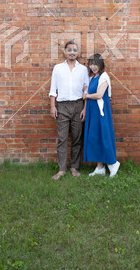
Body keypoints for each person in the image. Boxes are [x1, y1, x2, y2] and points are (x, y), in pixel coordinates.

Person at [49, 40, 89, 180]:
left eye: (74, 50)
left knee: (77, 138)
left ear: (78, 53)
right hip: (62, 107)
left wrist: (84, 108)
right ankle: (61, 169)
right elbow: (53, 89)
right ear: (65, 52)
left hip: (78, 105)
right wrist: (53, 106)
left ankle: (74, 167)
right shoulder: (58, 68)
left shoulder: (83, 69)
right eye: (69, 50)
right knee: (62, 138)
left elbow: (86, 91)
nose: (72, 52)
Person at [83, 54, 120, 177]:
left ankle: (113, 163)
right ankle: (100, 168)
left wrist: (87, 95)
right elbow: (89, 91)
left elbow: (99, 95)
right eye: (91, 64)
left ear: (101, 65)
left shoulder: (104, 77)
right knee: (95, 138)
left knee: (103, 137)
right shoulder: (93, 77)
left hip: (101, 112)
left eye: (95, 64)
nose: (93, 67)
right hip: (92, 112)